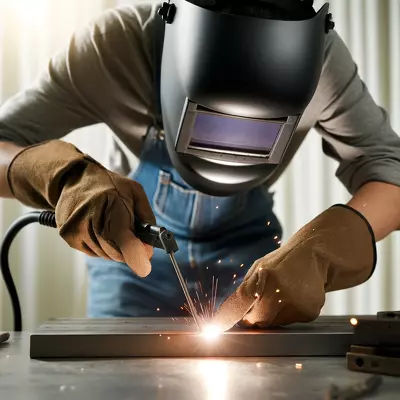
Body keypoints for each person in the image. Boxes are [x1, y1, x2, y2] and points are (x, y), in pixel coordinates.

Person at [0, 0, 399, 331]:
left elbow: (389, 167)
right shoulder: (117, 45)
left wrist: (333, 240)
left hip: (253, 267)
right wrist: (60, 177)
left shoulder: (323, 63)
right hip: (134, 258)